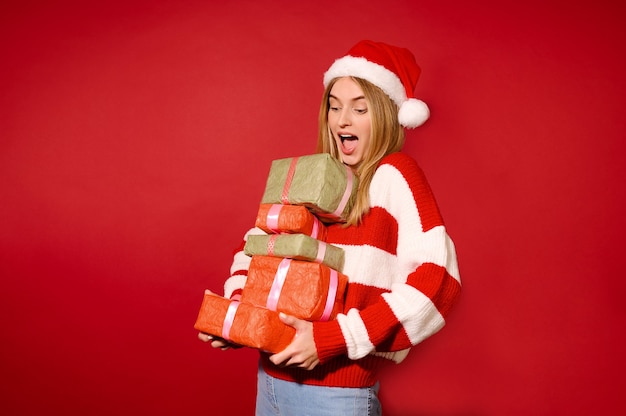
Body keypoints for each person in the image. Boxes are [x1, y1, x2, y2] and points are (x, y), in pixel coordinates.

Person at [199, 40, 462, 415]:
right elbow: (258, 249)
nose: (342, 120)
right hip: (269, 382)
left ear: (387, 114)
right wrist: (240, 315)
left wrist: (333, 338)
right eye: (334, 107)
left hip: (335, 396)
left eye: (359, 108)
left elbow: (437, 281)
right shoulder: (316, 178)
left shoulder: (395, 175)